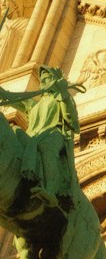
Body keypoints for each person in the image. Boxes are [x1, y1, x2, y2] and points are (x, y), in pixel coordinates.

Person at [0, 65, 84, 213]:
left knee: (47, 149)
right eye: (42, 80)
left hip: (54, 134)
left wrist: (63, 93)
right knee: (15, 131)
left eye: (48, 79)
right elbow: (12, 97)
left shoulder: (62, 99)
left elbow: (72, 122)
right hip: (34, 135)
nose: (44, 82)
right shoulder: (34, 105)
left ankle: (50, 191)